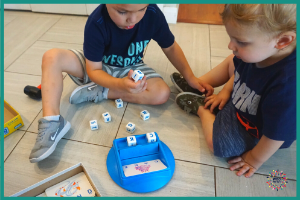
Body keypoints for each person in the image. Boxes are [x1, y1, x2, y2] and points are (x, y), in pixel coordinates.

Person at [29, 4, 212, 163]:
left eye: (141, 9)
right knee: (52, 57)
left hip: (131, 68)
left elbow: (170, 46)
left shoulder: (153, 14)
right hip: (96, 67)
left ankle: (101, 92)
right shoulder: (96, 22)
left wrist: (190, 77)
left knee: (162, 93)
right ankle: (52, 121)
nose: (132, 19)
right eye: (122, 11)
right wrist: (119, 84)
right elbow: (93, 70)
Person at [172, 4, 296, 177]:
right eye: (231, 38)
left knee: (219, 146)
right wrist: (226, 91)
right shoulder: (259, 52)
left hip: (255, 128)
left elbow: (276, 135)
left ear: (282, 41)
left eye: (241, 42)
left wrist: (254, 158)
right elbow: (239, 71)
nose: (231, 45)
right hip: (243, 95)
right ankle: (199, 85)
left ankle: (202, 108)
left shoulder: (288, 88)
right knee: (233, 59)